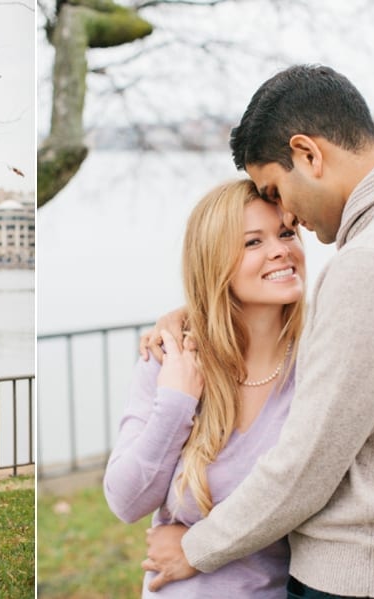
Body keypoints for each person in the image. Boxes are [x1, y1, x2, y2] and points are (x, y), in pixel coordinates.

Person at [142, 64, 374, 598]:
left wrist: (196, 548)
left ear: (308, 154)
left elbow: (307, 464)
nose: (292, 218)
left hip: (361, 576)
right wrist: (195, 313)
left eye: (276, 189)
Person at [104, 178, 306, 597]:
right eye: (253, 242)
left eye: (286, 233)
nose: (280, 249)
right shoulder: (171, 358)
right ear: (214, 262)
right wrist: (175, 405)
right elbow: (126, 501)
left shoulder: (319, 364)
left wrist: (197, 547)